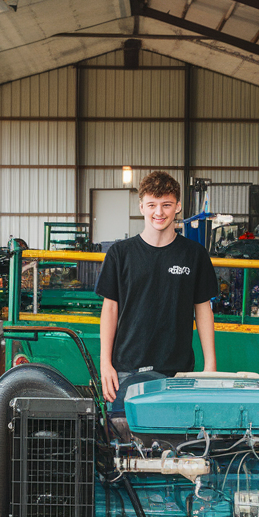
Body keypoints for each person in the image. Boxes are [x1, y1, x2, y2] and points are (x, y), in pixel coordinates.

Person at [96, 170, 218, 408]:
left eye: (166, 205)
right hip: (127, 370)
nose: (159, 212)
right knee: (123, 430)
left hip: (178, 372)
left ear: (178, 206)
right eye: (152, 204)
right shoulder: (120, 254)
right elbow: (109, 310)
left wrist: (210, 367)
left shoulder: (194, 255)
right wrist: (105, 364)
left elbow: (203, 310)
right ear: (141, 206)